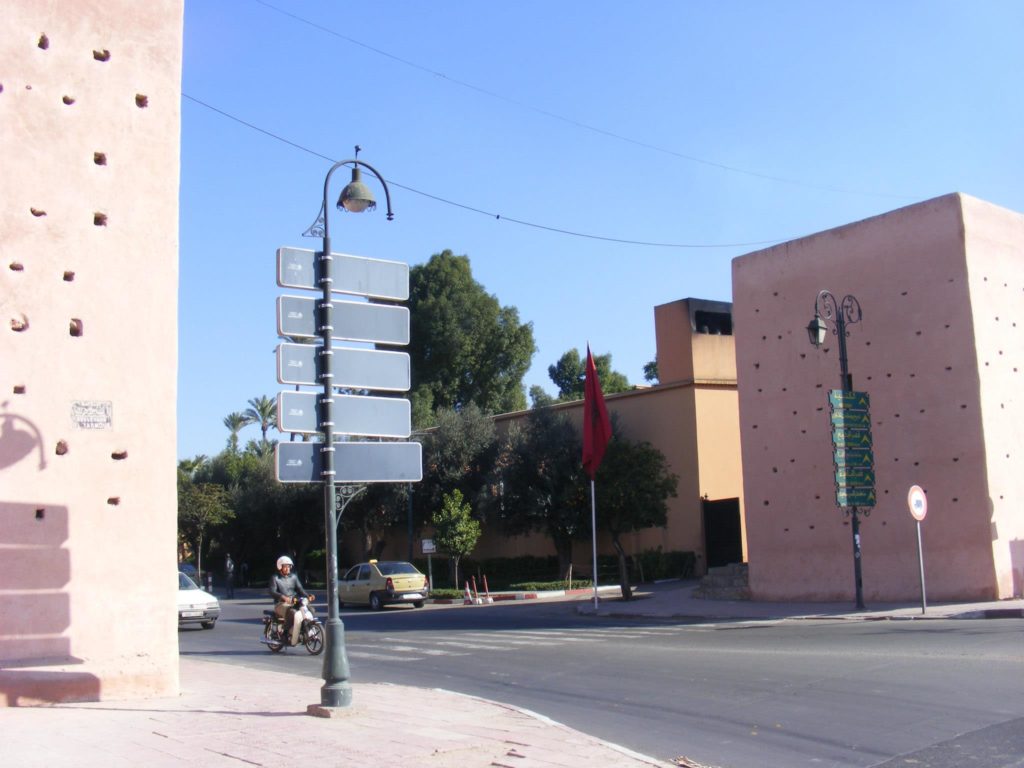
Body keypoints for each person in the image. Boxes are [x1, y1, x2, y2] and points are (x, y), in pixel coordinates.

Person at [268, 555, 311, 646]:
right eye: (285, 566)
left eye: (289, 566)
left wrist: (308, 596)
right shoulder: (275, 578)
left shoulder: (294, 577)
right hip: (280, 604)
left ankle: (304, 629)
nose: (288, 568)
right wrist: (283, 597)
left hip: (294, 601)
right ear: (280, 566)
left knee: (310, 609)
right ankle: (285, 633)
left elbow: (300, 589)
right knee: (292, 612)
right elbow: (272, 591)